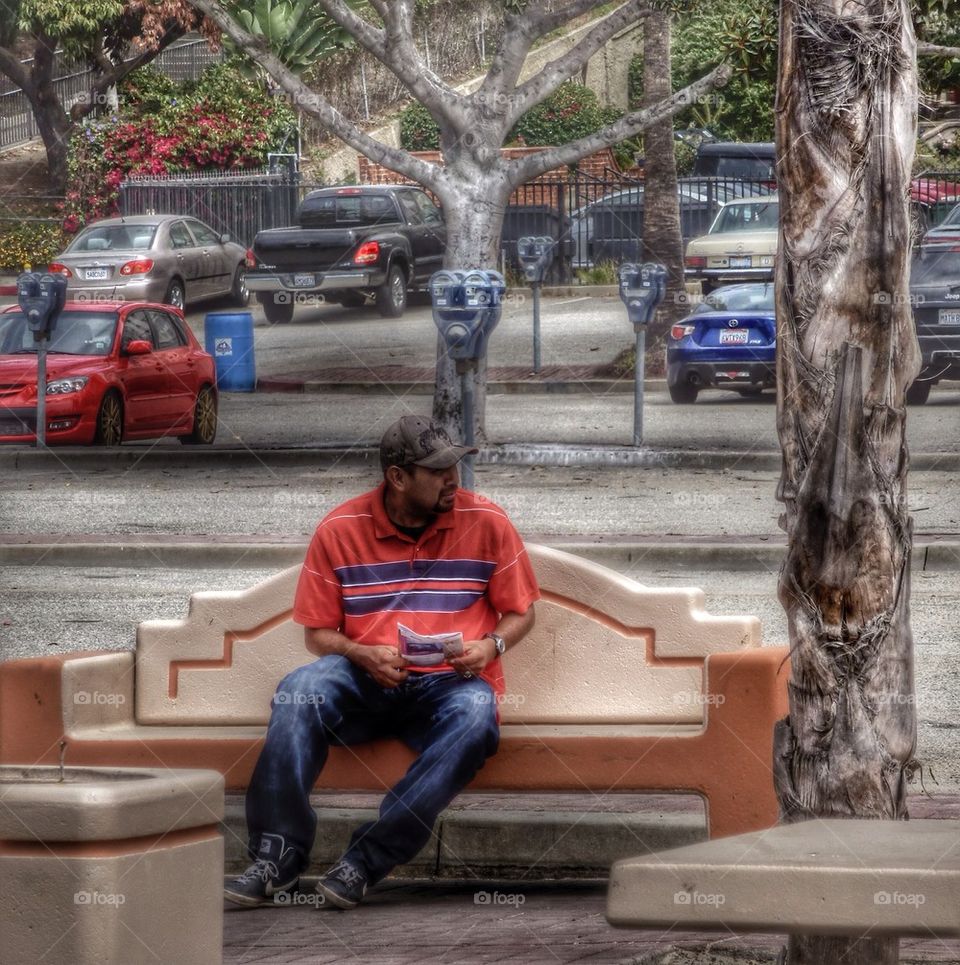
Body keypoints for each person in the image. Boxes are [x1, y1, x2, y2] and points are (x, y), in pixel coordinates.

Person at [224, 415, 540, 910]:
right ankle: (276, 857)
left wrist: (491, 647)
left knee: (477, 717)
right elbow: (317, 634)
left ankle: (363, 863)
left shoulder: (487, 522)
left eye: (455, 465)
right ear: (397, 478)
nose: (453, 478)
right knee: (297, 691)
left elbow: (522, 613)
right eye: (437, 471)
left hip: (451, 683)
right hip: (364, 680)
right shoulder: (339, 529)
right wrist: (359, 652)